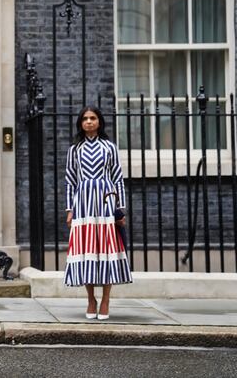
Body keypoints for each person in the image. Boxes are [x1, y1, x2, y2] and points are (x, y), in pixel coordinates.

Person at [64, 105, 132, 320]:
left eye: (93, 118)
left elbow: (118, 178)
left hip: (105, 202)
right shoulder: (74, 149)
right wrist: (69, 210)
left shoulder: (109, 147)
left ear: (99, 121)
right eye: (85, 118)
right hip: (83, 204)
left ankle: (105, 300)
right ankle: (91, 299)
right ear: (80, 123)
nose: (89, 122)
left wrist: (120, 209)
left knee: (106, 250)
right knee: (87, 251)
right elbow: (70, 181)